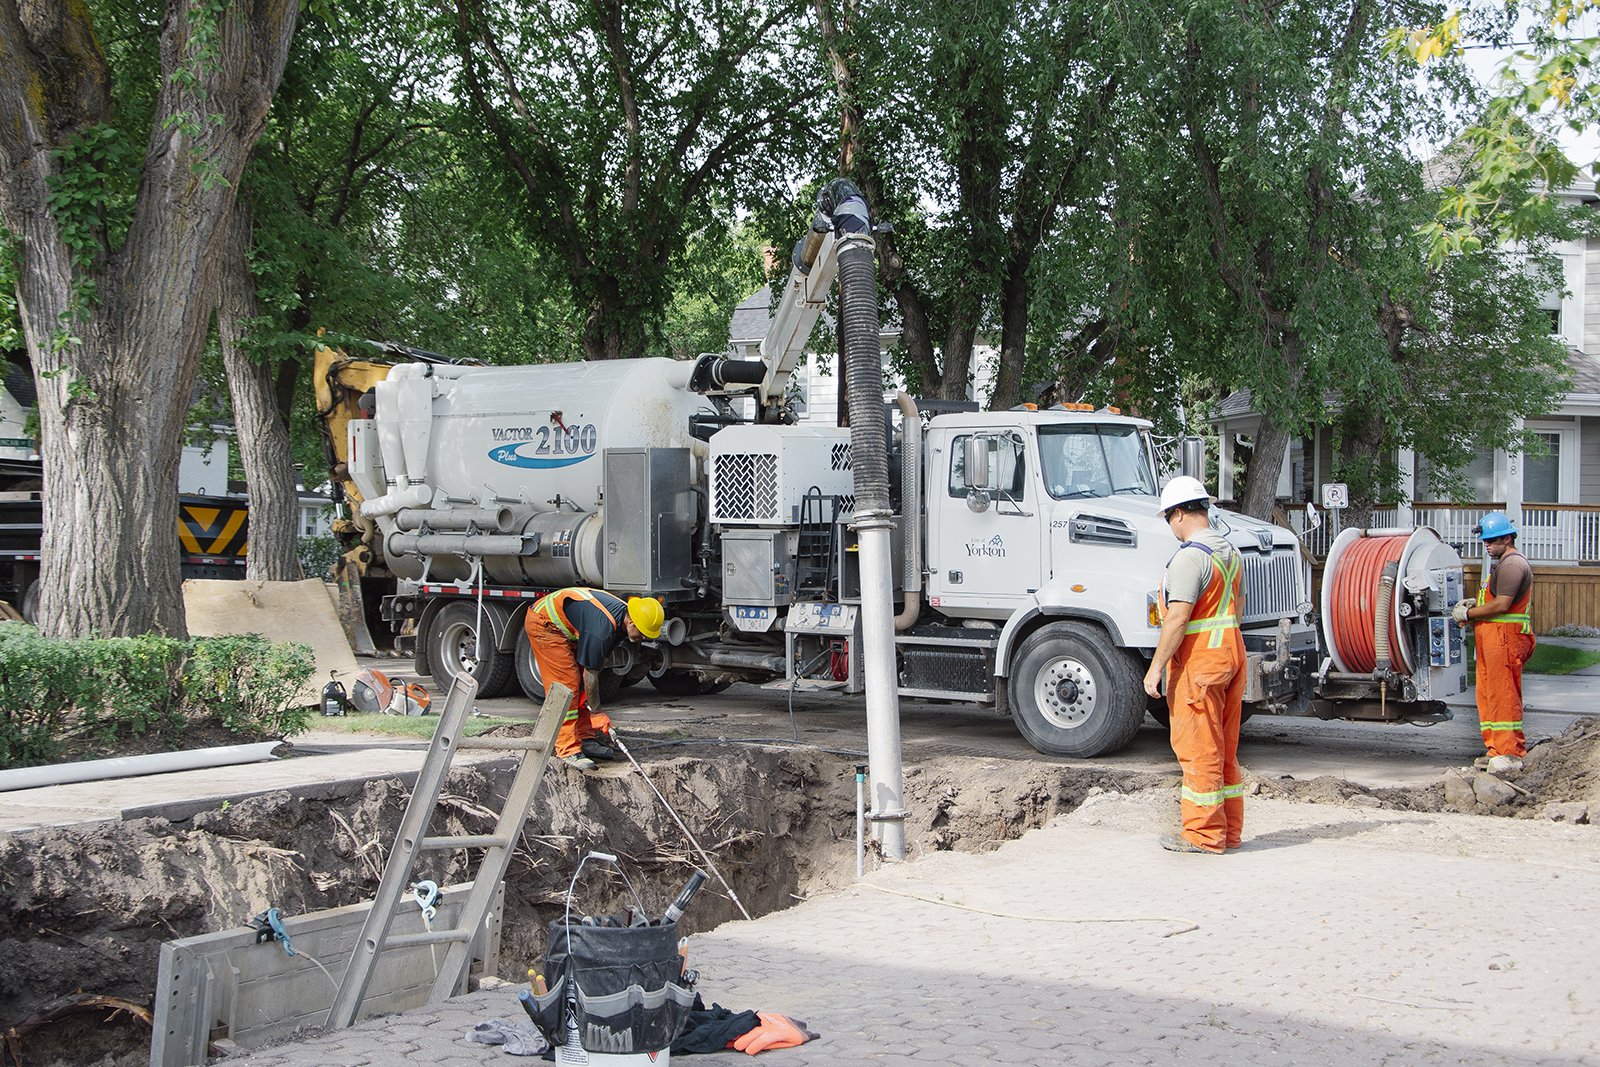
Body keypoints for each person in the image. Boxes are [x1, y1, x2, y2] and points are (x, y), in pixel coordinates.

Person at [1142, 476, 1245, 855]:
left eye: (1169, 518)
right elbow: (1237, 607)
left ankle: (1203, 836)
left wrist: (1155, 668)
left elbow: (1177, 619)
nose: (1170, 527)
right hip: (1231, 654)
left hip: (1200, 662)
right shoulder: (1228, 552)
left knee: (1199, 748)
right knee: (1224, 748)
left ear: (1180, 513)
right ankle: (1228, 831)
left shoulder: (1190, 557)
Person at [524, 587, 665, 771]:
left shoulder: (623, 617)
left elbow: (596, 667)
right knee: (567, 687)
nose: (643, 637)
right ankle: (566, 748)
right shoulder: (602, 628)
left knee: (582, 686)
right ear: (631, 621)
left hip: (570, 630)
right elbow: (591, 674)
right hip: (546, 625)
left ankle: (584, 737)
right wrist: (597, 713)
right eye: (643, 632)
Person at [1454, 512, 1534, 774]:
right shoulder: (1502, 563)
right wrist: (1475, 607)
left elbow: (1502, 605)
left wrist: (1469, 614)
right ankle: (1495, 749)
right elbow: (1494, 601)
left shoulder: (1512, 565)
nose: (1488, 545)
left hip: (1505, 639)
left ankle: (1510, 752)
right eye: (1485, 541)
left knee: (1503, 695)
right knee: (1489, 695)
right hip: (1494, 638)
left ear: (1508, 538)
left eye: (1493, 540)